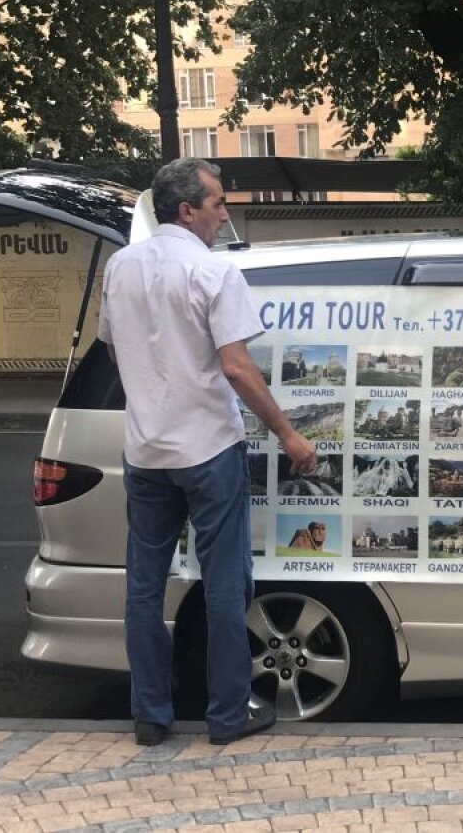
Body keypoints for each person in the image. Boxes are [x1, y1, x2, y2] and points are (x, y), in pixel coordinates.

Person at [98, 158, 317, 747]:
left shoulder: (119, 267)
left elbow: (117, 353)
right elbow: (237, 366)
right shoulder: (214, 273)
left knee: (143, 586)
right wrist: (288, 434)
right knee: (226, 583)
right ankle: (227, 715)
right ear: (187, 210)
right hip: (208, 450)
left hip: (145, 452)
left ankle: (150, 714)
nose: (225, 213)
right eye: (218, 202)